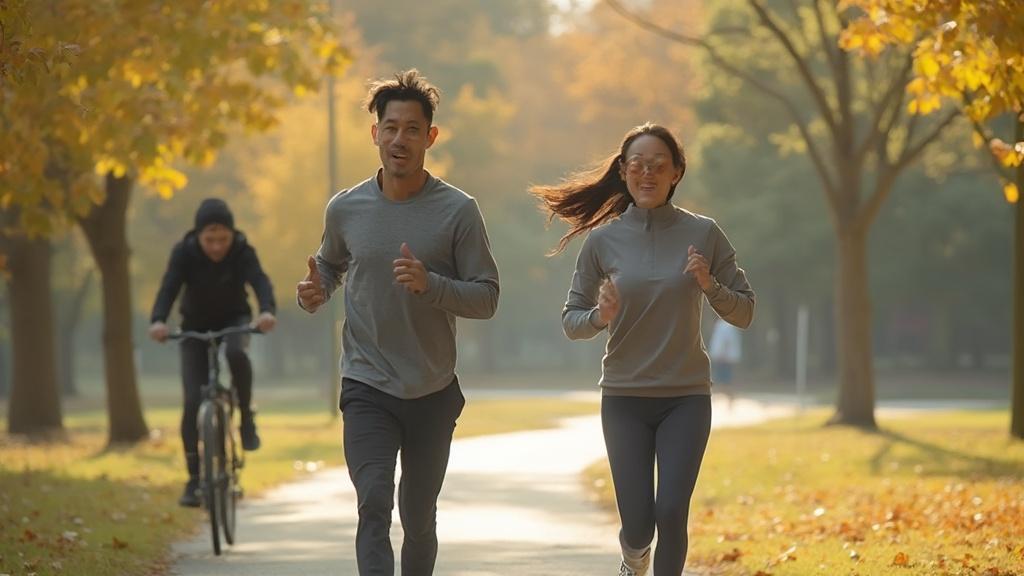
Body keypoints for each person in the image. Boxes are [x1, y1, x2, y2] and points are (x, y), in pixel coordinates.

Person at [296, 69, 499, 576]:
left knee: (418, 516)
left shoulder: (458, 211)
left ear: (430, 137)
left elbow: (487, 297)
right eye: (390, 127)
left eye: (412, 129)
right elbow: (330, 264)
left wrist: (431, 285)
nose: (399, 139)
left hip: (432, 388)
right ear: (375, 134)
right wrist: (316, 290)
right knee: (373, 502)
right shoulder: (346, 208)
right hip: (366, 381)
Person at [531, 123, 754, 576]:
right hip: (624, 398)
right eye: (637, 166)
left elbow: (745, 311)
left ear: (676, 173)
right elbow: (571, 320)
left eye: (658, 166)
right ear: (623, 171)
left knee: (671, 512)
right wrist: (600, 316)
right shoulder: (602, 240)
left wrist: (710, 286)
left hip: (686, 397)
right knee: (638, 526)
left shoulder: (704, 233)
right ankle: (634, 562)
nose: (647, 174)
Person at [149, 197, 278, 508]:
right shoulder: (184, 252)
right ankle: (194, 481)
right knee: (193, 399)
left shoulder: (243, 251)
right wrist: (158, 320)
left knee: (237, 354)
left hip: (234, 319)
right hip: (194, 324)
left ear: (232, 234)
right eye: (210, 240)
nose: (217, 247)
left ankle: (246, 418)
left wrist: (267, 311)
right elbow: (169, 287)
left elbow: (260, 281)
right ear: (198, 236)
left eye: (223, 239)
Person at [708, 317, 742, 409]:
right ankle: (729, 400)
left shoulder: (724, 326)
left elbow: (725, 342)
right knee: (722, 380)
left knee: (724, 381)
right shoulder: (725, 325)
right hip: (723, 357)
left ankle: (730, 400)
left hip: (723, 358)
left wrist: (722, 354)